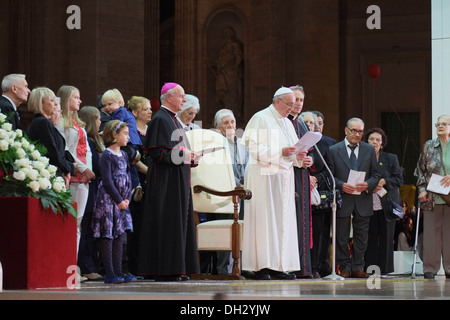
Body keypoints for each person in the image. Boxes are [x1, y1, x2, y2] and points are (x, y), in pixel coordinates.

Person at [241, 87, 308, 280]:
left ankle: (280, 266)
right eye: (289, 105)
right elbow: (253, 148)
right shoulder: (260, 118)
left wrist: (300, 157)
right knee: (265, 220)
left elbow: (293, 150)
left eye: (294, 105)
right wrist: (282, 152)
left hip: (284, 179)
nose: (292, 109)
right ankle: (261, 266)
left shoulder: (287, 123)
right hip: (264, 177)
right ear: (277, 101)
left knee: (282, 221)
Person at [137, 83, 200, 281]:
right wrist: (184, 155)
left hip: (177, 180)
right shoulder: (160, 119)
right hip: (165, 183)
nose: (184, 100)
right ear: (168, 97)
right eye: (181, 97)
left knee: (177, 223)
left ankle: (178, 268)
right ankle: (166, 270)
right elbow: (156, 153)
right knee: (168, 223)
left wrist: (191, 157)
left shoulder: (173, 120)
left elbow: (176, 152)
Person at [328, 117, 380, 278]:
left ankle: (358, 266)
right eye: (354, 131)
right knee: (341, 236)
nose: (357, 134)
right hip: (343, 198)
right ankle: (344, 266)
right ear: (346, 130)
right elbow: (329, 176)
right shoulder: (333, 150)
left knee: (362, 237)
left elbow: (376, 174)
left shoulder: (369, 150)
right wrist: (342, 185)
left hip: (363, 198)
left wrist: (369, 184)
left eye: (360, 131)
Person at [92, 120, 135, 284]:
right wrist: (118, 200)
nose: (128, 137)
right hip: (109, 201)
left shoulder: (124, 154)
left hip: (122, 202)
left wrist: (127, 199)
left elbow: (128, 178)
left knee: (120, 236)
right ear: (114, 135)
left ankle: (119, 271)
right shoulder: (106, 156)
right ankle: (110, 273)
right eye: (125, 133)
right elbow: (108, 181)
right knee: (108, 236)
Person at [56, 85, 95, 254]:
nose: (79, 101)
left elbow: (86, 150)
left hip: (83, 177)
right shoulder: (59, 122)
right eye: (75, 97)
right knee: (70, 221)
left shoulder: (77, 123)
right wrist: (83, 168)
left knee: (78, 222)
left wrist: (89, 171)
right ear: (65, 100)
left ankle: (73, 264)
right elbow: (65, 149)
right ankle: (67, 265)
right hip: (71, 175)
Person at [363, 127, 403, 275]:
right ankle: (370, 269)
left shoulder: (391, 158)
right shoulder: (362, 158)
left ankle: (385, 271)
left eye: (378, 140)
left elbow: (399, 180)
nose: (374, 142)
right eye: (371, 139)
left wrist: (384, 181)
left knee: (387, 239)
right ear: (366, 142)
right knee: (369, 239)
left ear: (382, 143)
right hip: (367, 203)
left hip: (387, 204)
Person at [415, 114, 450, 279]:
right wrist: (421, 189)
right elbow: (420, 170)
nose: (440, 126)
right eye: (438, 123)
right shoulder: (429, 146)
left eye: (444, 123)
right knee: (431, 235)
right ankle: (430, 268)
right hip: (432, 196)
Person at [287, 86, 314, 279]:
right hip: (288, 176)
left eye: (302, 100)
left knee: (303, 222)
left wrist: (310, 160)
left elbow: (308, 150)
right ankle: (292, 266)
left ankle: (304, 267)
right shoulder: (283, 123)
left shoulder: (302, 124)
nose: (299, 103)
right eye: (295, 99)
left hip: (302, 175)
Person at [26, 87, 75, 188]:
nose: (55, 104)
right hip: (48, 177)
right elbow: (52, 151)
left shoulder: (43, 122)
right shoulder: (42, 122)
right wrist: (67, 169)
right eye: (52, 100)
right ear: (41, 103)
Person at [78, 106, 105, 281]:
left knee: (90, 228)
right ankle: (86, 266)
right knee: (86, 228)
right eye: (97, 118)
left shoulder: (95, 140)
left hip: (95, 188)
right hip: (89, 186)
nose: (100, 121)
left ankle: (90, 265)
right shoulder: (87, 139)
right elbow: (95, 165)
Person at [126, 96, 152, 275]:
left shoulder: (151, 130)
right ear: (134, 112)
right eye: (145, 109)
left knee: (148, 225)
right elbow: (133, 159)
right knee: (136, 224)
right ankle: (134, 266)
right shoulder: (132, 132)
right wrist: (150, 172)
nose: (150, 111)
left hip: (152, 180)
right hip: (138, 180)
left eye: (150, 108)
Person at [310, 110, 336, 278]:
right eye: (313, 123)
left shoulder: (329, 143)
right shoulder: (300, 142)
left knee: (322, 233)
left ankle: (320, 266)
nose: (317, 126)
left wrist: (316, 179)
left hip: (322, 195)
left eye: (319, 123)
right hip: (302, 193)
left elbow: (332, 169)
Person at [102, 89, 143, 190]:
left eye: (110, 104)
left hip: (129, 141)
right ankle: (135, 184)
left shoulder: (120, 111)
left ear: (120, 103)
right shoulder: (126, 112)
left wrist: (105, 132)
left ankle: (134, 184)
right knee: (129, 162)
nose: (107, 107)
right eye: (105, 105)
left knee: (126, 162)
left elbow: (116, 124)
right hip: (134, 141)